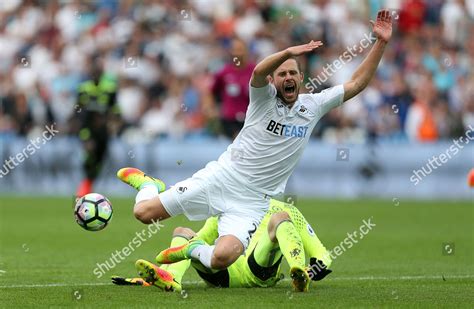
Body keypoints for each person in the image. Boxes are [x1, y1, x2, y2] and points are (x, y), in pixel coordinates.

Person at [117, 9, 392, 286]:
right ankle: (149, 185)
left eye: (293, 73)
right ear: (274, 81)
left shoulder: (313, 106)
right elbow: (260, 70)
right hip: (222, 179)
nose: (288, 77)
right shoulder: (263, 99)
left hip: (252, 202)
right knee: (144, 214)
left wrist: (380, 42)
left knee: (222, 257)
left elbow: (357, 83)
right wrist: (287, 52)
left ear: (301, 79)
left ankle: (190, 249)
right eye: (282, 73)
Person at [112, 199, 332, 292]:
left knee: (280, 219)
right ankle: (170, 280)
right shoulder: (228, 208)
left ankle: (299, 275)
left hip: (258, 271)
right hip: (224, 273)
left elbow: (320, 251)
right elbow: (200, 240)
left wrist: (318, 265)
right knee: (183, 233)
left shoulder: (285, 209)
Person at [75, 63, 119, 197]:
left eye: (98, 73)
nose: (96, 76)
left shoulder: (110, 88)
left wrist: (114, 123)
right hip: (88, 130)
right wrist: (84, 135)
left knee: (101, 159)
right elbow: (78, 111)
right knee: (89, 158)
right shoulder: (84, 88)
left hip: (103, 131)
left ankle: (88, 185)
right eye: (94, 73)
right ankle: (84, 188)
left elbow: (114, 108)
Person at [211, 38, 256, 140]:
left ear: (246, 51)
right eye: (235, 50)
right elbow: (211, 91)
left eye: (240, 49)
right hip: (229, 120)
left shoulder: (255, 71)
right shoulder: (224, 72)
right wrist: (212, 109)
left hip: (250, 119)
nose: (237, 53)